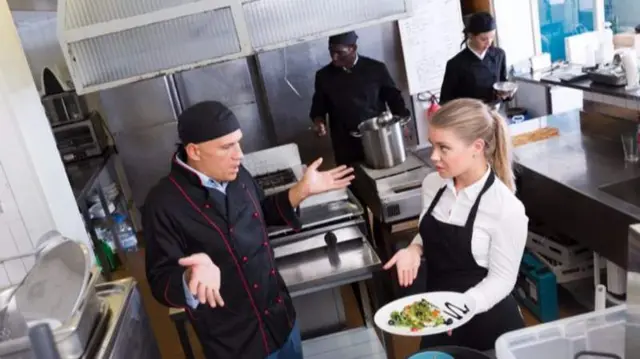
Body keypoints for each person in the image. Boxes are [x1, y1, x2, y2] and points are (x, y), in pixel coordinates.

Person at [143, 101, 355, 359]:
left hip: (280, 320)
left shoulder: (237, 174)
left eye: (238, 142)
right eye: (226, 147)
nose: (239, 154)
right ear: (194, 151)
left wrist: (301, 192)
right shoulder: (163, 203)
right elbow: (160, 281)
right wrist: (189, 277)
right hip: (235, 341)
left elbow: (260, 212)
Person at [383, 98, 528, 351]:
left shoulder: (505, 208)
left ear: (477, 147)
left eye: (443, 148)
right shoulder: (433, 184)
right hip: (438, 317)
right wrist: (414, 249)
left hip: (488, 325)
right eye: (432, 145)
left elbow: (503, 279)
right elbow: (428, 232)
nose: (433, 156)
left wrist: (462, 306)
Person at [310, 30, 411, 166]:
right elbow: (318, 108)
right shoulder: (324, 77)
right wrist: (319, 123)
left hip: (378, 138)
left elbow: (394, 97)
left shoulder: (375, 69)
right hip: (345, 145)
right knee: (354, 182)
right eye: (331, 51)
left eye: (340, 52)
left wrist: (402, 123)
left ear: (353, 48)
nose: (334, 57)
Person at [439, 12, 508, 105]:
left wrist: (507, 94)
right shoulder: (455, 64)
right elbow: (445, 101)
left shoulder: (499, 54)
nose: (489, 43)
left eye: (492, 37)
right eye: (483, 39)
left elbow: (503, 84)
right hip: (471, 116)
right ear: (471, 36)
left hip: (495, 112)